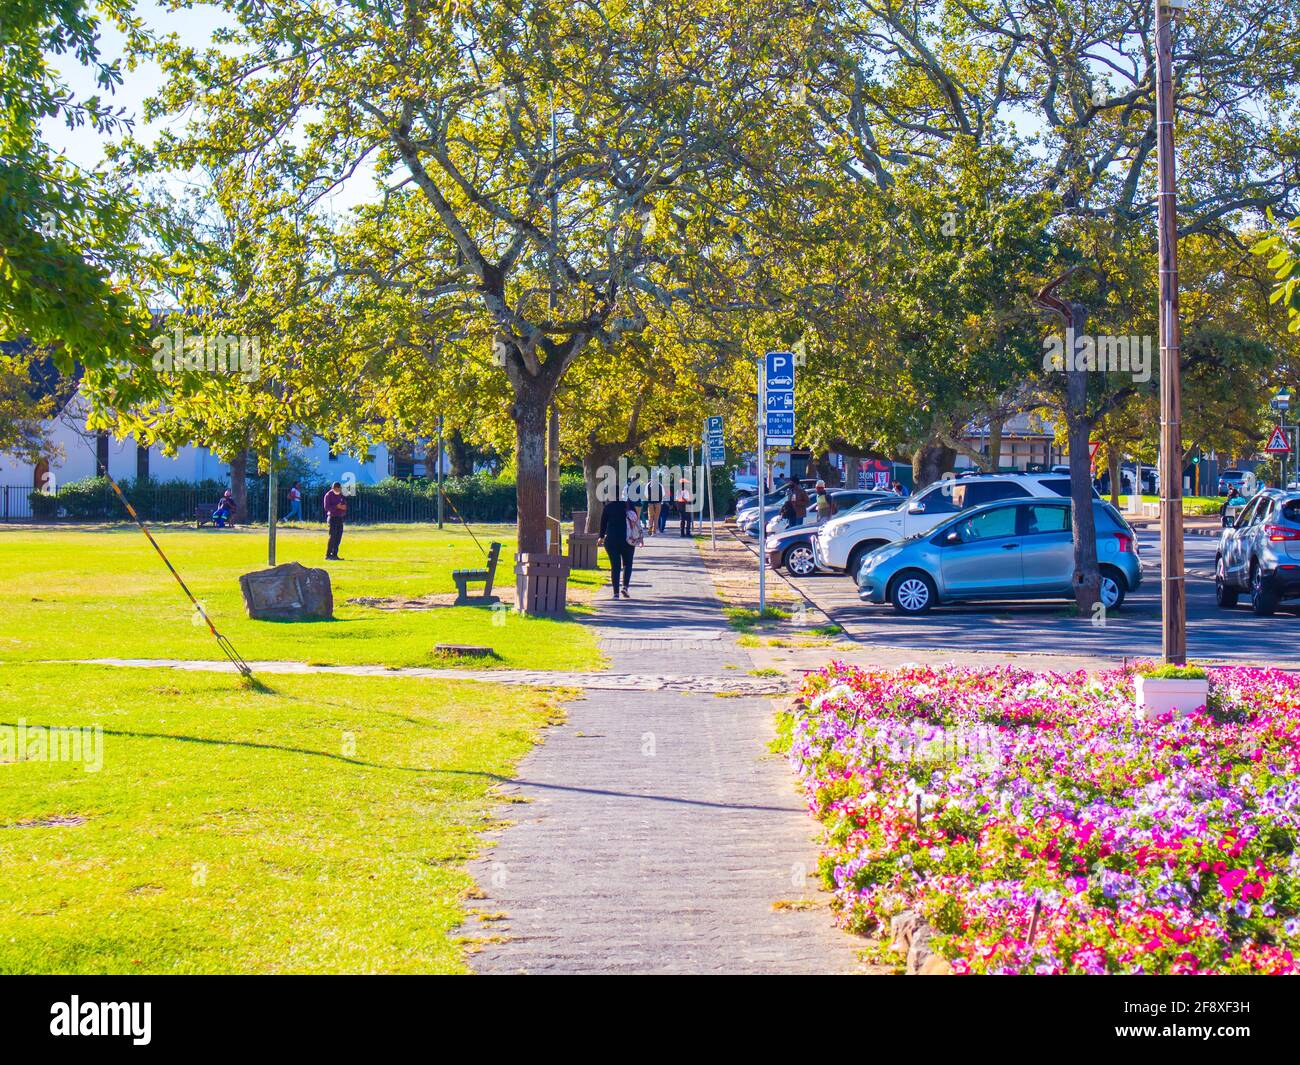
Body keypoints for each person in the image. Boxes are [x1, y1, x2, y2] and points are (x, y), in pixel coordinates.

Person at [597, 497, 640, 599]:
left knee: (615, 566)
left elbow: (603, 524)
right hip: (628, 539)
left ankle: (616, 593)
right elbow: (636, 521)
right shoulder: (629, 506)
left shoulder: (608, 507)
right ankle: (625, 587)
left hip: (612, 539)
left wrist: (601, 537)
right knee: (628, 564)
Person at [323, 481, 348, 560]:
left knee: (338, 537)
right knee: (332, 536)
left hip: (339, 517)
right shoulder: (328, 495)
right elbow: (326, 507)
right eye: (336, 489)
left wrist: (343, 508)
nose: (337, 490)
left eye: (339, 489)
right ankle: (328, 555)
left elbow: (344, 505)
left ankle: (335, 554)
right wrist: (336, 507)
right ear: (333, 488)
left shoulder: (341, 495)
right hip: (332, 517)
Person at [645, 473, 662, 537]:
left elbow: (646, 494)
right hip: (658, 503)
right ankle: (654, 532)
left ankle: (650, 528)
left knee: (650, 517)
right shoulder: (660, 485)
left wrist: (649, 499)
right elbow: (663, 494)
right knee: (656, 517)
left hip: (650, 503)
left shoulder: (648, 485)